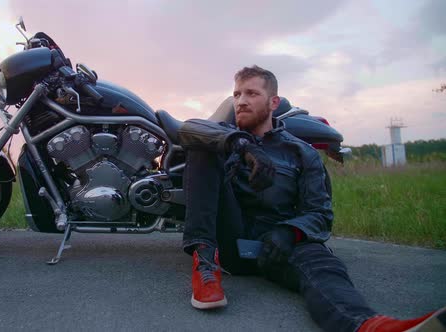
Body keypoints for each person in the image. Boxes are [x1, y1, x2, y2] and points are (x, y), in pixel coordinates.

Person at [181, 65, 445, 332]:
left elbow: (320, 214)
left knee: (323, 266)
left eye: (251, 93)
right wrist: (241, 144)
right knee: (201, 147)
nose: (241, 101)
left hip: (277, 246)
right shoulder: (224, 136)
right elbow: (188, 128)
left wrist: (290, 233)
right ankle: (205, 267)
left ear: (274, 102)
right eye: (237, 94)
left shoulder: (301, 152)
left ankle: (370, 326)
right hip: (229, 240)